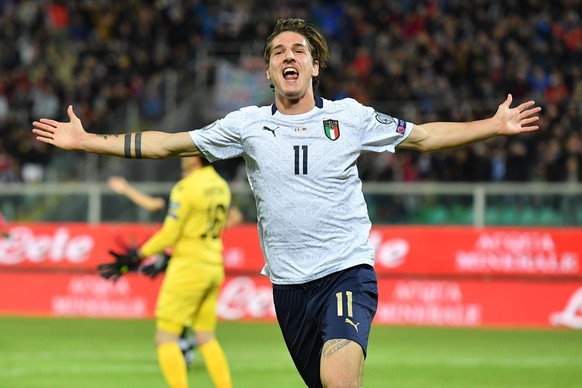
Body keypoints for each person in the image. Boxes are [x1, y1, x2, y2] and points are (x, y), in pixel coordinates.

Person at [32, 18, 541, 388]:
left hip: (346, 272)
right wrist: (88, 141)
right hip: (289, 289)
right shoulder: (247, 126)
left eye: (299, 50)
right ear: (270, 72)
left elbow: (425, 137)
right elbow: (168, 143)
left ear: (315, 66)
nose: (289, 56)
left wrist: (493, 126)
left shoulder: (351, 117)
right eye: (278, 52)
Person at [104, 156, 235, 388]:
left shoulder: (186, 187)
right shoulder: (220, 185)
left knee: (165, 338)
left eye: (185, 153)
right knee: (205, 336)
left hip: (189, 266)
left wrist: (136, 256)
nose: (180, 157)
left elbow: (169, 233)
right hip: (213, 263)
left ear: (195, 158)